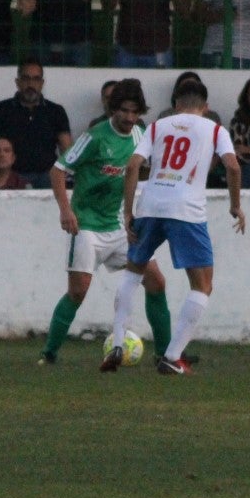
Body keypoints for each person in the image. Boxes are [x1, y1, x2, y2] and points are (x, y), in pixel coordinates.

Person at [108, 77, 245, 375]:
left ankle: (117, 342)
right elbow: (233, 166)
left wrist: (129, 213)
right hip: (186, 210)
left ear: (175, 105)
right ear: (206, 107)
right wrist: (235, 206)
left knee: (133, 273)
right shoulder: (215, 129)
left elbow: (132, 166)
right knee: (203, 285)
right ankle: (171, 355)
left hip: (151, 205)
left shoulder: (157, 126)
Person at [41, 79, 172, 366]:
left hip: (119, 226)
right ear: (113, 109)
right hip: (86, 225)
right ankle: (49, 354)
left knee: (156, 281)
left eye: (134, 111)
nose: (128, 117)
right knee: (78, 291)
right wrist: (66, 210)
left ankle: (167, 355)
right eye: (123, 110)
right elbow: (58, 170)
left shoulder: (140, 135)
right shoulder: (95, 136)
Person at [0, 58, 72, 189]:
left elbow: (67, 151)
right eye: (25, 78)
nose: (31, 84)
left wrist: (64, 178)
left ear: (42, 83)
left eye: (36, 79)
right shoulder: (1, 109)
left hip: (48, 178)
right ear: (17, 82)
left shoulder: (56, 111)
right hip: (11, 178)